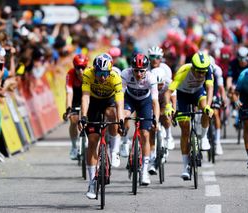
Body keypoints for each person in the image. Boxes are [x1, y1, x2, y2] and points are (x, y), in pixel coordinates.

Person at [78, 53, 124, 199]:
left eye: (105, 74)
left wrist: (121, 119)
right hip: (94, 102)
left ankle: (114, 150)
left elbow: (119, 101)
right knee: (92, 141)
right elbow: (85, 96)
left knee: (112, 114)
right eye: (99, 73)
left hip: (109, 100)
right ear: (94, 70)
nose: (102, 77)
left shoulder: (115, 77)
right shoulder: (88, 74)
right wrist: (84, 116)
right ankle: (92, 181)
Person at [164, 52, 214, 180]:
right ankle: (185, 166)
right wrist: (169, 106)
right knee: (185, 130)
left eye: (204, 72)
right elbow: (168, 92)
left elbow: (209, 88)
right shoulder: (184, 71)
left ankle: (203, 137)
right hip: (183, 96)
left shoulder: (208, 69)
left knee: (206, 110)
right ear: (193, 68)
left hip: (197, 92)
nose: (201, 75)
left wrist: (208, 106)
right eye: (199, 72)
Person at [121, 53, 160, 185]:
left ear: (146, 69)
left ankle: (144, 172)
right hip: (130, 100)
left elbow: (155, 102)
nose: (138, 74)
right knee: (124, 114)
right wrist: (120, 117)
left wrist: (156, 119)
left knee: (145, 134)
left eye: (141, 71)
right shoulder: (126, 74)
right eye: (136, 71)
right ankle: (124, 141)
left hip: (145, 102)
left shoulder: (151, 77)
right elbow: (119, 96)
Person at [63, 54, 89, 160]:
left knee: (88, 117)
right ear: (74, 67)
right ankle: (74, 146)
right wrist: (68, 109)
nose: (81, 71)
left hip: (87, 96)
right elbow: (69, 93)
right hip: (75, 97)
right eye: (78, 67)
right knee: (73, 120)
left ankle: (88, 138)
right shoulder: (70, 74)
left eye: (83, 67)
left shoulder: (90, 73)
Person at [209, 56, 227, 155]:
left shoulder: (217, 70)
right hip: (203, 89)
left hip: (214, 90)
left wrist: (223, 98)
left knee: (215, 113)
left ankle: (217, 141)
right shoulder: (200, 70)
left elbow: (221, 87)